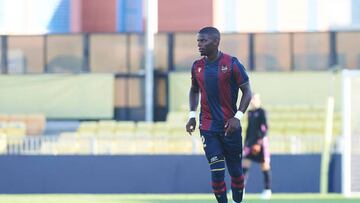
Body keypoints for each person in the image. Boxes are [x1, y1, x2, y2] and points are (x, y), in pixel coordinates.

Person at [185, 27, 252, 203]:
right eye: (198, 40)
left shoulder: (232, 64)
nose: (199, 44)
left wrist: (237, 117)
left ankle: (238, 198)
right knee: (216, 170)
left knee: (236, 172)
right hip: (208, 126)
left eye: (203, 41)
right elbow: (194, 90)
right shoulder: (197, 67)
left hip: (230, 128)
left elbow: (247, 92)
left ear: (215, 42)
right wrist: (192, 114)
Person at [242, 93, 272, 199]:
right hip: (250, 144)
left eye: (254, 99)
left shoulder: (262, 112)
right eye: (251, 99)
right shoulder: (249, 113)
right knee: (245, 165)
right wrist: (245, 143)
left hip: (261, 144)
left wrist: (259, 143)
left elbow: (265, 129)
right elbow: (249, 129)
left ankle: (267, 190)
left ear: (259, 100)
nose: (252, 101)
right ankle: (241, 189)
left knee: (264, 166)